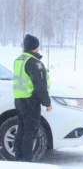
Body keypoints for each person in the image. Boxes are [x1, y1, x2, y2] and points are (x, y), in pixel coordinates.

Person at [13, 34, 52, 162]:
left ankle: (18, 158)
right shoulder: (34, 63)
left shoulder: (20, 59)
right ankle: (26, 161)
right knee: (30, 133)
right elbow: (40, 85)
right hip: (30, 101)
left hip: (19, 100)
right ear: (35, 46)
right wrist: (47, 103)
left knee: (22, 130)